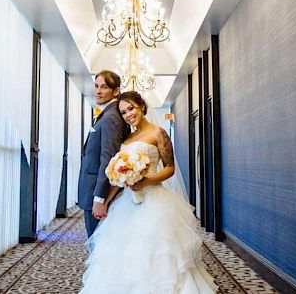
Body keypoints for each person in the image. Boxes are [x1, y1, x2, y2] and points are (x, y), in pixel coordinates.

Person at [80, 91, 217, 293]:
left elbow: (169, 168)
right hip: (127, 201)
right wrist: (107, 201)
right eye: (123, 112)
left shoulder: (158, 133)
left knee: (156, 249)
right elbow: (120, 179)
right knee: (123, 251)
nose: (128, 115)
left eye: (131, 109)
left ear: (141, 107)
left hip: (154, 198)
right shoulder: (127, 138)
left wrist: (147, 181)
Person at [78, 70, 130, 237]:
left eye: (104, 87)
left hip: (98, 192)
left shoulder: (111, 117)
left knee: (98, 245)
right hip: (93, 190)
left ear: (116, 91)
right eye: (96, 86)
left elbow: (109, 160)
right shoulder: (107, 114)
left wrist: (100, 199)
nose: (98, 91)